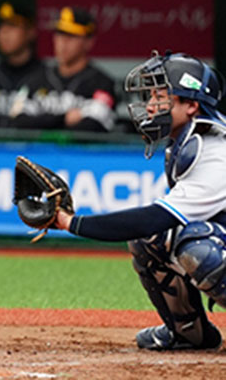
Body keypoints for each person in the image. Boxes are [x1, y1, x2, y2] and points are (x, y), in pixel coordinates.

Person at [51, 52, 226, 351]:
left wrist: (72, 223)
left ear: (191, 105)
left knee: (199, 247)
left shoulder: (215, 153)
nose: (150, 105)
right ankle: (189, 333)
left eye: (161, 96)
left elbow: (154, 217)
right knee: (153, 240)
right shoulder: (189, 140)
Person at [10, 6, 116, 132]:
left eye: (71, 36)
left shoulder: (102, 83)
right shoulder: (35, 79)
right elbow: (18, 121)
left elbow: (92, 126)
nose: (63, 42)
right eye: (59, 34)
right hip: (39, 146)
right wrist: (63, 118)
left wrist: (42, 121)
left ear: (89, 42)